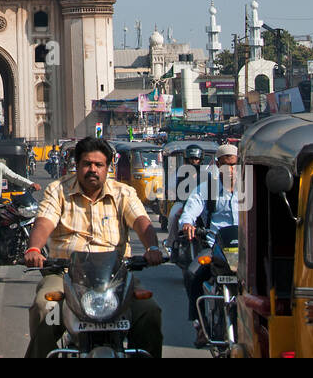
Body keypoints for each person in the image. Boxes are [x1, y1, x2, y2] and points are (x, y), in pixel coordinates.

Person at [24, 137, 164, 358]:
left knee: (150, 312)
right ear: (76, 165)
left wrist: (152, 248)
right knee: (45, 308)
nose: (93, 170)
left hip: (115, 276)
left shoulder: (123, 193)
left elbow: (141, 222)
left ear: (108, 167)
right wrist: (34, 249)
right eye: (87, 164)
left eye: (99, 165)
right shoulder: (58, 190)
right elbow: (44, 222)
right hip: (65, 274)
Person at [178, 143, 238, 346]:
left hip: (246, 250)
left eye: (234, 165)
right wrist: (187, 223)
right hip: (215, 248)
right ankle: (200, 326)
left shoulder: (250, 187)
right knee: (193, 274)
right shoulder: (206, 188)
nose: (230, 169)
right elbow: (192, 207)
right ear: (217, 165)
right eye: (226, 165)